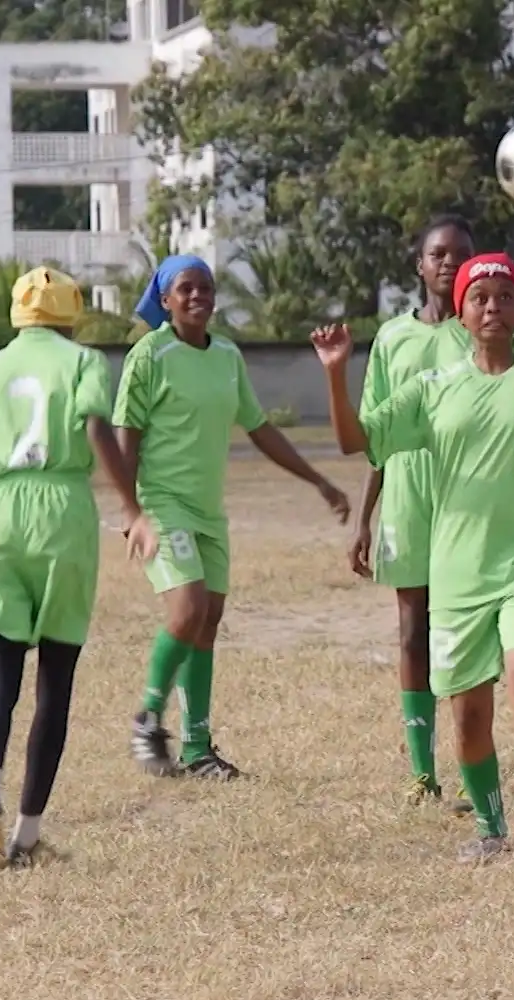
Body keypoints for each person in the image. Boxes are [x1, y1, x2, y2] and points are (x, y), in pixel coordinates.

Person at [314, 252, 514, 885]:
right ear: (462, 312)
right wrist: (337, 377)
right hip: (457, 573)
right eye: (481, 298)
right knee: (469, 717)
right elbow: (354, 441)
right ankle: (490, 825)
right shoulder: (434, 389)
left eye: (506, 296)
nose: (492, 307)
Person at [0, 268, 157, 867]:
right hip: (62, 515)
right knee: (55, 683)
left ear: (16, 314)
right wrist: (132, 508)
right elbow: (97, 428)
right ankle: (27, 835)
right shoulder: (85, 364)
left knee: (0, 678)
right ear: (71, 313)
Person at [119, 255, 350, 781]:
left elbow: (259, 427)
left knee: (208, 620)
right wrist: (133, 512)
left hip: (207, 510)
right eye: (186, 289)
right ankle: (147, 719)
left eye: (206, 287)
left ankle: (198, 750)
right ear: (165, 299)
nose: (198, 296)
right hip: (163, 504)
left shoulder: (226, 354)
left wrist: (318, 481)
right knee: (188, 608)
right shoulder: (149, 355)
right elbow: (125, 435)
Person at [353, 214, 480, 814]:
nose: (448, 263)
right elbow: (378, 434)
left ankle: (468, 768)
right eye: (437, 254)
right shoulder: (390, 339)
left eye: (460, 254)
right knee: (412, 632)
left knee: (461, 635)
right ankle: (421, 771)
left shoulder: (484, 331)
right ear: (419, 265)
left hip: (464, 497)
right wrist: (364, 517)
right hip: (406, 494)